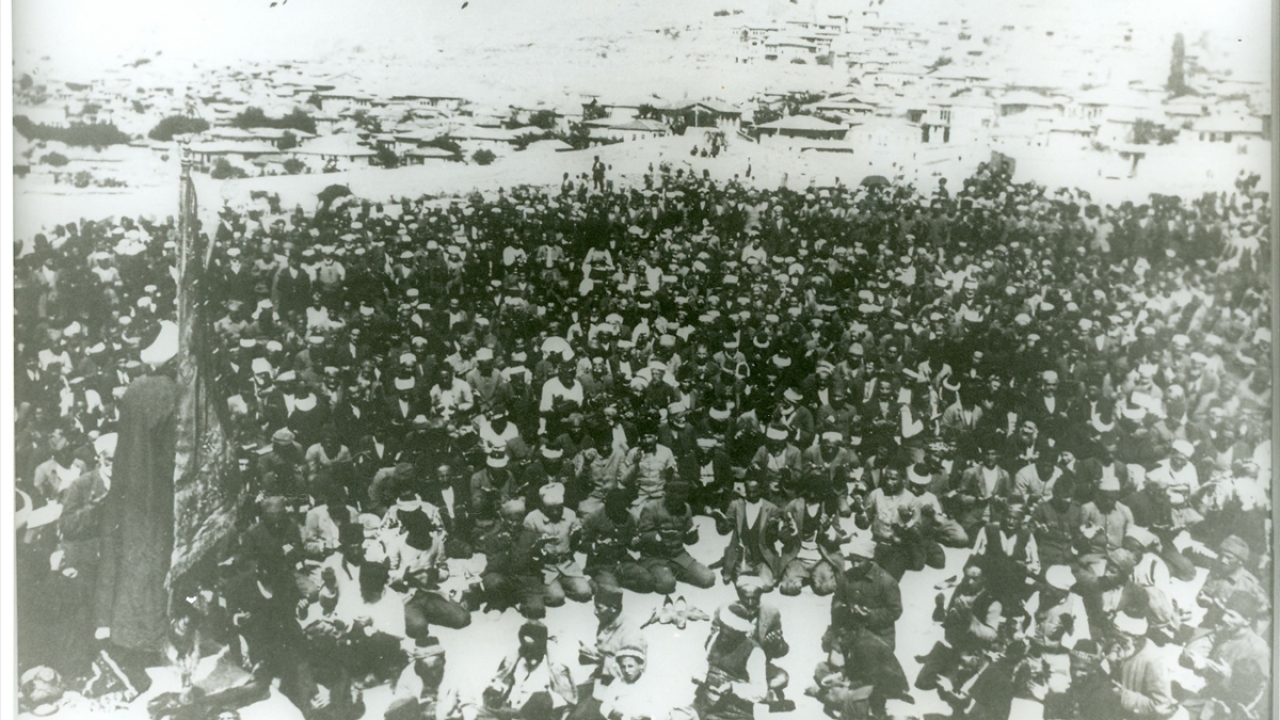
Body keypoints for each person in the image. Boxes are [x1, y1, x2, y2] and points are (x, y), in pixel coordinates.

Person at [94, 321, 181, 692]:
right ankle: (155, 640)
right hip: (160, 491)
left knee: (134, 559)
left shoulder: (137, 391)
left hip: (133, 491)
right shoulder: (171, 393)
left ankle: (134, 641)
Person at [570, 586, 646, 720]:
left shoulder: (631, 634)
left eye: (599, 607)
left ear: (613, 609)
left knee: (579, 716)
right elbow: (607, 650)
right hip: (601, 678)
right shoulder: (607, 621)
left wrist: (600, 660)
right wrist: (590, 652)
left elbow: (631, 672)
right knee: (568, 697)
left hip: (618, 686)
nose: (595, 611)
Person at [474, 622, 577, 720]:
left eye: (533, 647)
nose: (529, 652)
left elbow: (567, 702)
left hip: (538, 712)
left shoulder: (555, 666)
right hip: (513, 711)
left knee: (540, 698)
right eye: (525, 646)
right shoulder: (513, 660)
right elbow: (497, 684)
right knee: (479, 710)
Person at [522, 482, 591, 610]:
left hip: (567, 564)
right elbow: (526, 550)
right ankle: (553, 587)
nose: (555, 511)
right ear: (543, 506)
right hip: (545, 568)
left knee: (585, 593)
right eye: (550, 508)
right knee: (556, 599)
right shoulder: (531, 519)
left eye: (559, 507)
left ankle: (567, 584)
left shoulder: (570, 514)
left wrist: (577, 535)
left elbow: (576, 544)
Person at [636, 482, 715, 593]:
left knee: (708, 578)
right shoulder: (651, 508)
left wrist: (692, 535)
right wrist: (656, 537)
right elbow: (643, 535)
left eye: (680, 500)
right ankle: (662, 572)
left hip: (678, 556)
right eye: (674, 500)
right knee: (667, 585)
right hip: (656, 557)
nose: (677, 504)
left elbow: (689, 541)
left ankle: (672, 572)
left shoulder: (686, 508)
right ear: (667, 495)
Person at [693, 604, 768, 720]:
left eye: (730, 632)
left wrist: (733, 688)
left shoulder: (754, 651)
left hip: (734, 713)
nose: (724, 634)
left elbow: (760, 691)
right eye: (724, 628)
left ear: (741, 632)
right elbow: (706, 663)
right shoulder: (717, 636)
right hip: (706, 706)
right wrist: (701, 675)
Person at [733, 576, 795, 712]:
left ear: (760, 596)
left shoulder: (771, 613)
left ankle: (744, 694)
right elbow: (710, 644)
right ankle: (762, 695)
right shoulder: (726, 611)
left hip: (757, 668)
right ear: (738, 596)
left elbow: (782, 651)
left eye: (754, 598)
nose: (749, 603)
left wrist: (776, 643)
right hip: (731, 666)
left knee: (782, 678)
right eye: (745, 598)